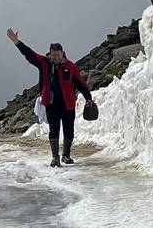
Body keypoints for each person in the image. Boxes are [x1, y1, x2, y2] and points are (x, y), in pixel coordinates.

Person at [6, 29, 93, 167]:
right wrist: (17, 42)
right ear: (50, 53)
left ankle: (66, 155)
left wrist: (88, 97)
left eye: (58, 55)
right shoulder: (44, 63)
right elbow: (30, 54)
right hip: (52, 104)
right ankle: (55, 157)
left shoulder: (70, 66)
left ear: (62, 53)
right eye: (53, 55)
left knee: (69, 130)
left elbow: (80, 83)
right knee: (54, 129)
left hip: (68, 104)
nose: (56, 58)